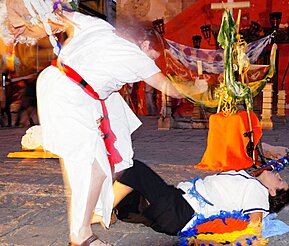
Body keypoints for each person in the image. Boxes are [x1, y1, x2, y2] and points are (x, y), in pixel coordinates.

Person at [0, 1, 181, 245]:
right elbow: (169, 87)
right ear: (145, 44)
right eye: (153, 55)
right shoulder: (136, 57)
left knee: (114, 152)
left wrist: (30, 20)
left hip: (71, 87)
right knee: (89, 164)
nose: (153, 61)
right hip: (69, 94)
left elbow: (61, 15)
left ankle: (98, 207)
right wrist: (199, 89)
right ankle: (81, 236)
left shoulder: (99, 26)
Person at [108, 160, 289, 243]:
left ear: (272, 191)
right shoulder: (249, 180)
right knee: (127, 196)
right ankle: (112, 212)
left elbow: (255, 224)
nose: (277, 174)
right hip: (176, 206)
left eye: (279, 180)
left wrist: (242, 238)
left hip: (182, 210)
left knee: (132, 168)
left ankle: (102, 211)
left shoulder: (258, 190)